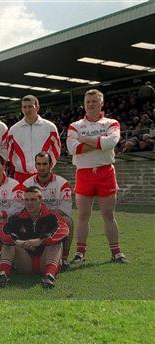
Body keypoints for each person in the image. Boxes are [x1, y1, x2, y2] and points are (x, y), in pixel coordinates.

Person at [66, 89, 126, 263]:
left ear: (101, 103)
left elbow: (110, 143)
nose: (90, 104)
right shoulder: (75, 125)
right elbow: (72, 148)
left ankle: (116, 252)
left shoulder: (111, 123)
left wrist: (84, 141)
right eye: (88, 101)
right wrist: (99, 142)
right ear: (84, 104)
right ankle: (80, 253)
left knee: (108, 214)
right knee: (83, 215)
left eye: (94, 101)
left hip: (105, 172)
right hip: (84, 173)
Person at [0, 187, 69, 288]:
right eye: (27, 200)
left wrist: (40, 240)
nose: (30, 203)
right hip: (25, 262)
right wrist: (18, 242)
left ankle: (49, 276)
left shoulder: (52, 216)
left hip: (45, 260)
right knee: (8, 243)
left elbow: (63, 230)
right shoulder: (17, 217)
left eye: (33, 200)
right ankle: (3, 274)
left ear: (41, 200)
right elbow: (2, 230)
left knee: (57, 243)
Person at [23, 152, 74, 268]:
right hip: (33, 219)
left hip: (55, 218)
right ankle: (25, 257)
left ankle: (64, 259)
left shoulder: (62, 183)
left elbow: (65, 206)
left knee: (69, 221)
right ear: (35, 165)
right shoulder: (27, 184)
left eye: (45, 164)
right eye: (39, 164)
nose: (41, 167)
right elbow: (22, 206)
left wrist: (47, 215)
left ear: (51, 164)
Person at [8, 95, 61, 183]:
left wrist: (45, 168)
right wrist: (20, 166)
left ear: (37, 108)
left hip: (44, 175)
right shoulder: (13, 130)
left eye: (30, 106)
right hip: (21, 176)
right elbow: (10, 153)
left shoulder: (50, 127)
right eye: (24, 107)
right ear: (22, 109)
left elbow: (56, 150)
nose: (27, 110)